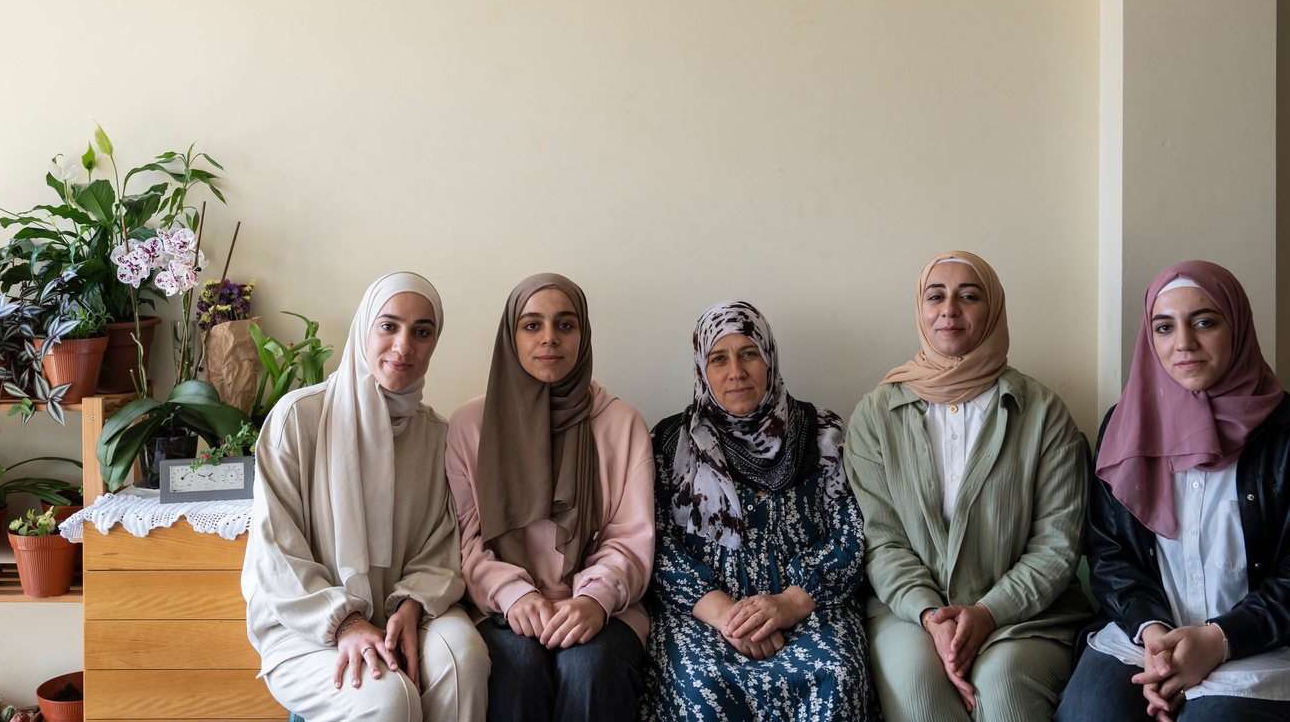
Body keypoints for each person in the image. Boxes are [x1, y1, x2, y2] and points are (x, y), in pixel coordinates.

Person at [1057, 260, 1290, 722]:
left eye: (1204, 321)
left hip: (1263, 642)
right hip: (1144, 635)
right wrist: (1156, 637)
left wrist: (1219, 640)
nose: (1184, 343)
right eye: (1164, 327)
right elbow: (1110, 552)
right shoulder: (1125, 427)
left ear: (1236, 326)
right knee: (1092, 712)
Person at [845, 251, 1091, 722]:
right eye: (935, 296)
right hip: (909, 613)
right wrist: (932, 619)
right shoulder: (876, 414)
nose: (949, 309)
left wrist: (988, 614)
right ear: (920, 309)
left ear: (993, 309)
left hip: (1026, 616)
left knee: (1005, 692)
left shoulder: (1043, 413)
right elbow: (880, 540)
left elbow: (1057, 545)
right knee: (918, 691)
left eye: (969, 296)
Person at [243, 272, 489, 722]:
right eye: (389, 326)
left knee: (464, 661)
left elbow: (441, 545)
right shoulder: (299, 419)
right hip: (305, 621)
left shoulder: (436, 436)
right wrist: (347, 623)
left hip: (412, 608)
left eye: (422, 332)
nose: (404, 346)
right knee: (387, 698)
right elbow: (276, 550)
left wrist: (412, 606)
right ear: (363, 328)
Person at [640, 301, 881, 722]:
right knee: (701, 686)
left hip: (810, 607)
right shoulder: (670, 443)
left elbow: (852, 536)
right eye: (719, 358)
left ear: (768, 357)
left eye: (748, 353)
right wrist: (728, 616)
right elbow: (654, 546)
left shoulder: (822, 432)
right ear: (702, 368)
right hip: (704, 614)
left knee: (837, 676)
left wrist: (788, 603)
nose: (736, 371)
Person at [446, 273, 655, 722]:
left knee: (590, 668)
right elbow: (464, 540)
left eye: (565, 325)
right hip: (499, 606)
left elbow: (631, 537)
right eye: (531, 325)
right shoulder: (469, 426)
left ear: (583, 335)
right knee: (514, 669)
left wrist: (595, 599)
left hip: (607, 605)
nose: (549, 339)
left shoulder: (622, 423)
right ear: (511, 335)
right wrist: (514, 594)